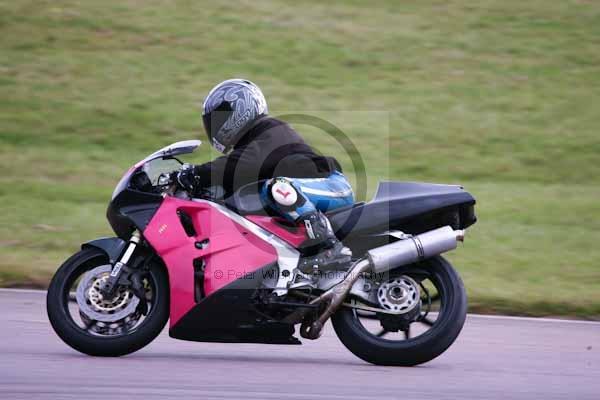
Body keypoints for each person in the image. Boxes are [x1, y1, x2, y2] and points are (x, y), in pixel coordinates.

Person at [176, 79, 353, 270]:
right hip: (309, 194)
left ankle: (329, 247)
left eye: (219, 119)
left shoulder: (271, 130)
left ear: (241, 111)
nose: (215, 127)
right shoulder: (251, 144)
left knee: (278, 187)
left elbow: (241, 164)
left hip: (332, 187)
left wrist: (196, 173)